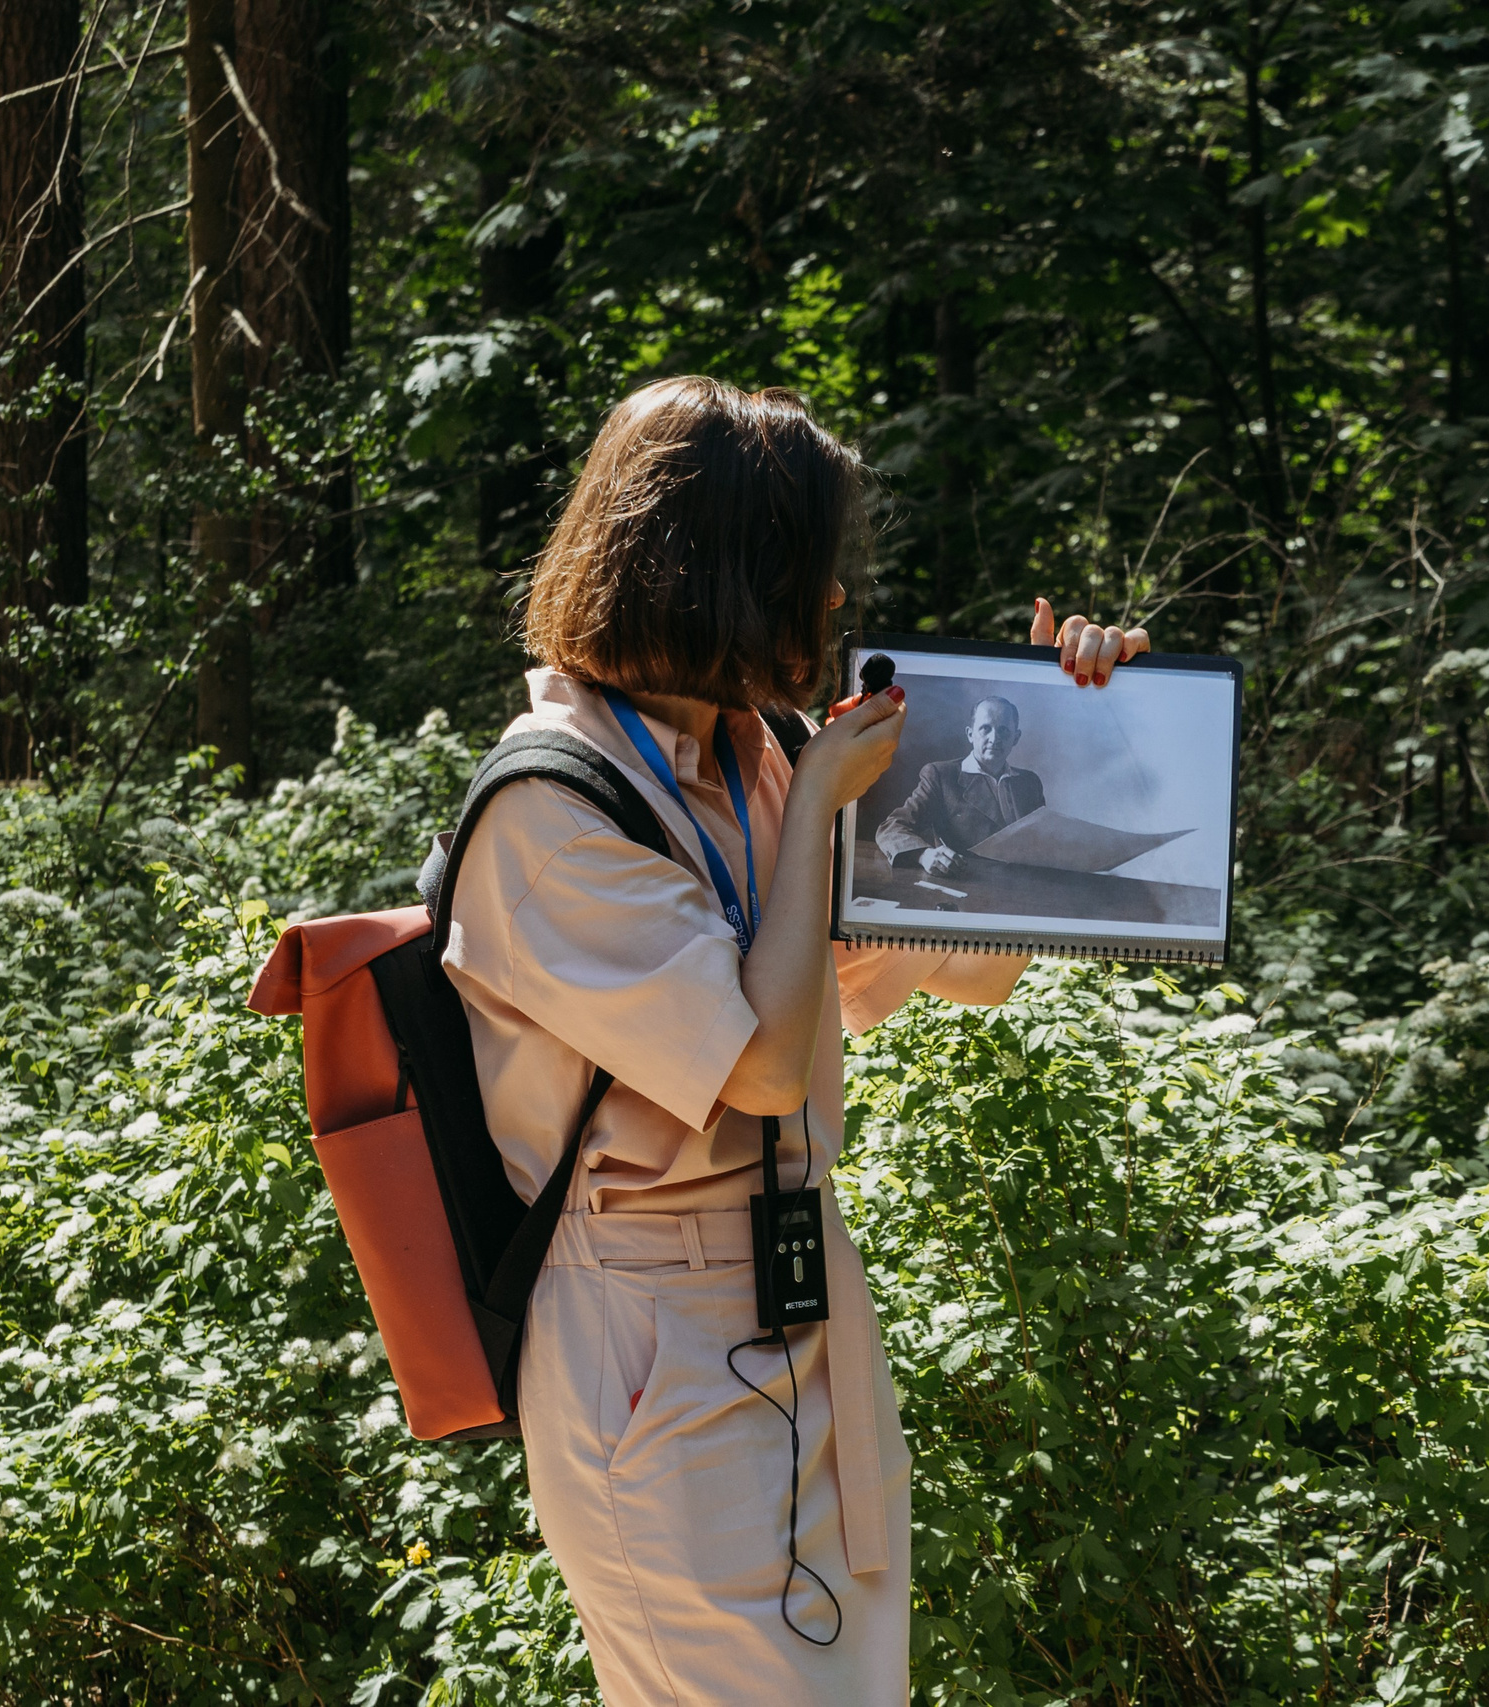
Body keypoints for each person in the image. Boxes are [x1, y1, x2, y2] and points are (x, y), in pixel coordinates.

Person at [436, 375, 1145, 1707]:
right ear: (716, 571)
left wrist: (1076, 719)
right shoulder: (551, 806)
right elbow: (759, 1064)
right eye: (808, 569)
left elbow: (976, 969)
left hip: (804, 1304)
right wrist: (825, 791)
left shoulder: (755, 754)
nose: (830, 602)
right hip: (654, 1336)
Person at [872, 696, 1043, 875]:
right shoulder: (942, 775)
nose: (994, 738)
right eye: (986, 729)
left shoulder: (1030, 782)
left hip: (1026, 885)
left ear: (1016, 737)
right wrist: (924, 855)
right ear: (970, 734)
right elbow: (891, 827)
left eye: (1003, 731)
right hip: (967, 883)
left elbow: (1042, 842)